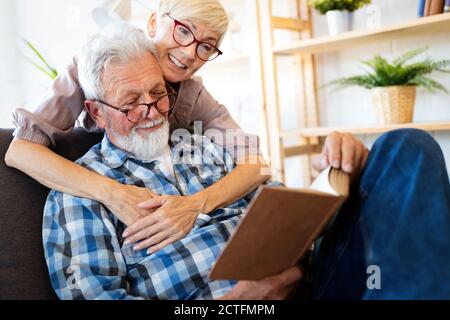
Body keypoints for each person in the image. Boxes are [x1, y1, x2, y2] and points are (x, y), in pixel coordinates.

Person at [5, 0, 368, 253]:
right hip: (111, 200)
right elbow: (20, 150)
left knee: (389, 157)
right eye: (184, 32)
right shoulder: (97, 67)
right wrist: (113, 193)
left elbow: (255, 163)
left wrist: (195, 205)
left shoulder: (193, 95)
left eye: (207, 46)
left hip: (180, 208)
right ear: (154, 23)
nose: (191, 52)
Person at [43, 27, 301, 300]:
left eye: (158, 93)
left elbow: (288, 211)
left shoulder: (205, 147)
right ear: (97, 113)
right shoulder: (78, 194)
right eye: (131, 104)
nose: (152, 113)